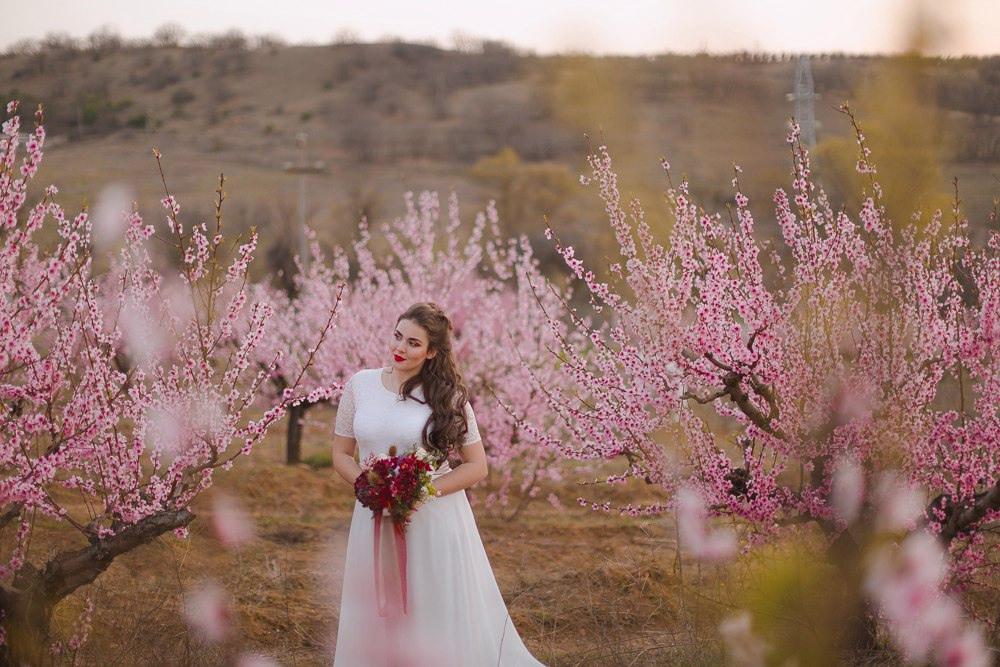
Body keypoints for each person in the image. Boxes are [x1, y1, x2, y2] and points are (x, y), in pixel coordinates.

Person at [331, 302, 545, 666]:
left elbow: (477, 466)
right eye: (397, 336)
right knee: (374, 606)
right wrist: (373, 490)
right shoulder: (360, 385)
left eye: (413, 343)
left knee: (430, 606)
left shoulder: (448, 397)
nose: (399, 348)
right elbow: (340, 454)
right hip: (372, 515)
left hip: (430, 518)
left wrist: (420, 492)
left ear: (432, 352)